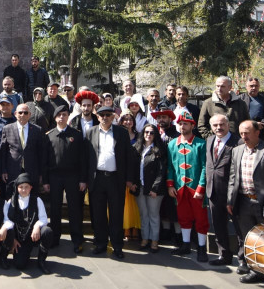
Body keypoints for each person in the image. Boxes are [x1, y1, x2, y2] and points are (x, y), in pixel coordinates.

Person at [227, 120, 264, 289]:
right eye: (241, 133)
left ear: (257, 132)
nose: (244, 136)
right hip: (242, 201)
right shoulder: (237, 150)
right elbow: (233, 177)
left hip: (262, 202)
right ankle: (255, 271)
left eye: (247, 132)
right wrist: (230, 200)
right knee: (249, 240)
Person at [84, 105, 137, 259]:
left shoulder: (121, 132)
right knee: (99, 214)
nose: (105, 117)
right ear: (98, 117)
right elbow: (86, 158)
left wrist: (129, 179)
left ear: (113, 117)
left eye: (108, 115)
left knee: (116, 214)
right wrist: (85, 179)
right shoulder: (90, 132)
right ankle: (100, 244)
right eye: (102, 115)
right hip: (97, 178)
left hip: (116, 179)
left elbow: (128, 157)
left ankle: (117, 246)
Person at [167, 110, 209, 262]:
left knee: (201, 219)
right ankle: (185, 245)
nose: (182, 126)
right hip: (179, 188)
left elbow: (205, 167)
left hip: (195, 188)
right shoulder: (172, 144)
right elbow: (170, 166)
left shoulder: (201, 144)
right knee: (183, 217)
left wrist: (201, 187)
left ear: (192, 125)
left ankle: (202, 248)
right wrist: (170, 184)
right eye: (180, 124)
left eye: (185, 123)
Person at [44, 105, 86, 253]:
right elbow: (46, 161)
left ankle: (77, 240)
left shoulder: (77, 134)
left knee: (74, 209)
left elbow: (82, 159)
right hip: (54, 176)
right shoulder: (49, 135)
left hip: (72, 176)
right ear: (55, 117)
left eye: (65, 114)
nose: (62, 117)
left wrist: (82, 179)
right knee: (55, 209)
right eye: (59, 115)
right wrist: (46, 181)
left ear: (68, 116)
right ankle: (55, 238)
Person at [205, 114, 242, 266]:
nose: (218, 128)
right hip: (213, 191)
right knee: (219, 225)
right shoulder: (209, 140)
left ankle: (243, 260)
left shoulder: (238, 142)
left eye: (221, 124)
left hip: (233, 193)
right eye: (215, 125)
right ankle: (224, 255)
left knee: (239, 228)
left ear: (228, 125)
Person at [3, 173, 52, 273]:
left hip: (34, 235)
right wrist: (13, 239)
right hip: (20, 238)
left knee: (47, 231)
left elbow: (44, 219)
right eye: (21, 187)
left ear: (31, 188)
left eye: (26, 187)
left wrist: (37, 226)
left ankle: (41, 260)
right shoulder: (11, 202)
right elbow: (7, 221)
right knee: (19, 264)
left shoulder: (37, 200)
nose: (24, 190)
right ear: (17, 188)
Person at [133, 122, 167, 253]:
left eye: (152, 133)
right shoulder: (137, 148)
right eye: (146, 132)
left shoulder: (160, 150)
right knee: (144, 214)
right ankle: (145, 239)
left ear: (155, 135)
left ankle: (154, 240)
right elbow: (134, 168)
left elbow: (161, 171)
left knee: (153, 215)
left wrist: (155, 189)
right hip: (140, 187)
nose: (148, 135)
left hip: (154, 189)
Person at [0, 104, 46, 193]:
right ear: (15, 114)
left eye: (25, 113)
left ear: (29, 115)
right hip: (12, 170)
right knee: (12, 197)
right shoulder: (7, 129)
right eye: (20, 112)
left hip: (32, 171)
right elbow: (3, 152)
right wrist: (4, 170)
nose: (22, 115)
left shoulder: (37, 130)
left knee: (32, 198)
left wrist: (41, 173)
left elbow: (41, 153)